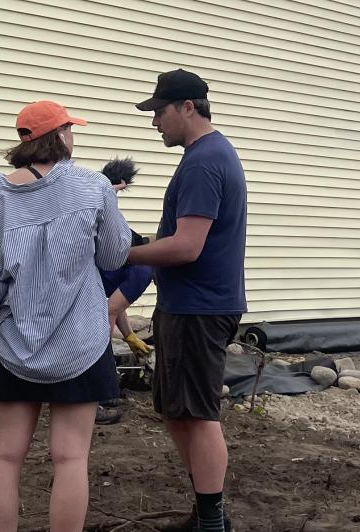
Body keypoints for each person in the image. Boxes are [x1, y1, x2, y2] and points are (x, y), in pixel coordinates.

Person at [0, 100, 133, 532]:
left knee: (5, 455)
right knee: (71, 458)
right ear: (62, 135)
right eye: (71, 129)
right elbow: (114, 254)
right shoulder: (94, 187)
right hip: (80, 346)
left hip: (15, 347)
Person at [125, 69, 248, 532]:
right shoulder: (209, 155)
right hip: (188, 303)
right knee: (178, 410)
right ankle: (204, 512)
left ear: (187, 108)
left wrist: (123, 252)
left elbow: (186, 246)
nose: (154, 122)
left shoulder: (202, 162)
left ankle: (212, 522)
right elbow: (183, 237)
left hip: (200, 306)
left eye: (158, 112)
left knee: (197, 414)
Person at [97, 245, 154, 425]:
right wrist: (101, 347)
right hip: (77, 290)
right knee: (98, 353)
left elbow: (116, 304)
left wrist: (130, 336)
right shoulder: (144, 272)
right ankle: (95, 402)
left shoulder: (138, 266)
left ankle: (105, 396)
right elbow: (109, 311)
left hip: (80, 286)